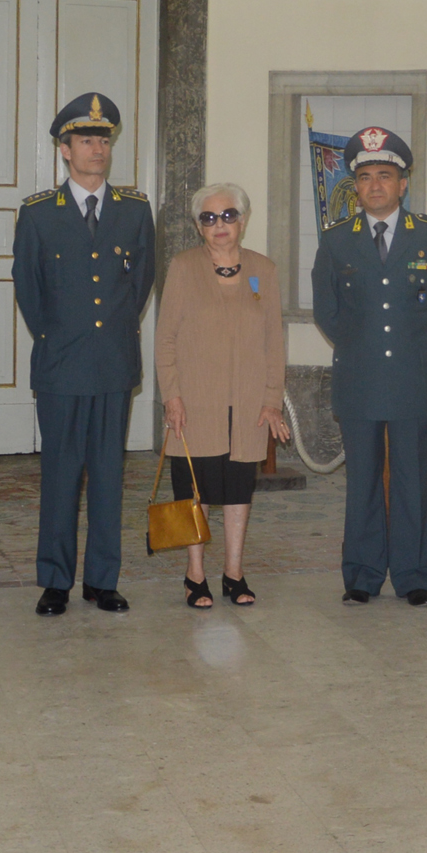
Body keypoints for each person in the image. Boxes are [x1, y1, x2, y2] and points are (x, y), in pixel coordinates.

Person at [14, 94, 156, 616]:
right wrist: (61, 337)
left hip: (113, 365)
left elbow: (140, 285)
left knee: (108, 477)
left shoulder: (134, 211)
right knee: (60, 477)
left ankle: (102, 579)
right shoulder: (37, 214)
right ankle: (55, 580)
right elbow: (29, 292)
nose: (98, 149)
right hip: (60, 366)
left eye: (104, 140)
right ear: (65, 149)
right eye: (86, 140)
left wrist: (107, 336)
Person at [311, 127, 427, 606]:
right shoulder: (336, 241)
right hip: (359, 377)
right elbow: (327, 311)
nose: (375, 185)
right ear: (355, 186)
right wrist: (364, 347)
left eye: (385, 175)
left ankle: (414, 575)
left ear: (403, 183)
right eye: (366, 177)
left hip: (414, 378)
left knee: (413, 481)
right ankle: (362, 573)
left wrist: (408, 346)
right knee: (362, 481)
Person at [156, 182, 289, 607]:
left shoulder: (263, 270)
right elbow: (165, 339)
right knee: (194, 488)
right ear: (198, 226)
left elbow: (274, 341)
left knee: (237, 489)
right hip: (195, 402)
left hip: (248, 403)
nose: (220, 224)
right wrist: (172, 396)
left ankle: (234, 573)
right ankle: (194, 574)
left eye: (228, 215)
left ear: (242, 221)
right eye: (209, 218)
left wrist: (272, 399)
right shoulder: (183, 267)